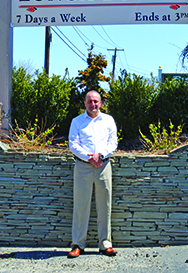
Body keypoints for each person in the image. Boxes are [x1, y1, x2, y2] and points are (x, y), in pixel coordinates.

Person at [67, 90, 118, 258]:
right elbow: (73, 144)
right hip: (83, 167)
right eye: (90, 101)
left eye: (96, 101)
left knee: (105, 204)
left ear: (101, 103)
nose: (93, 104)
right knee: (81, 205)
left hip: (103, 166)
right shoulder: (77, 121)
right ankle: (78, 244)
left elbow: (113, 142)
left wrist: (100, 155)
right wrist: (89, 158)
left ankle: (105, 243)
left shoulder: (109, 120)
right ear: (85, 103)